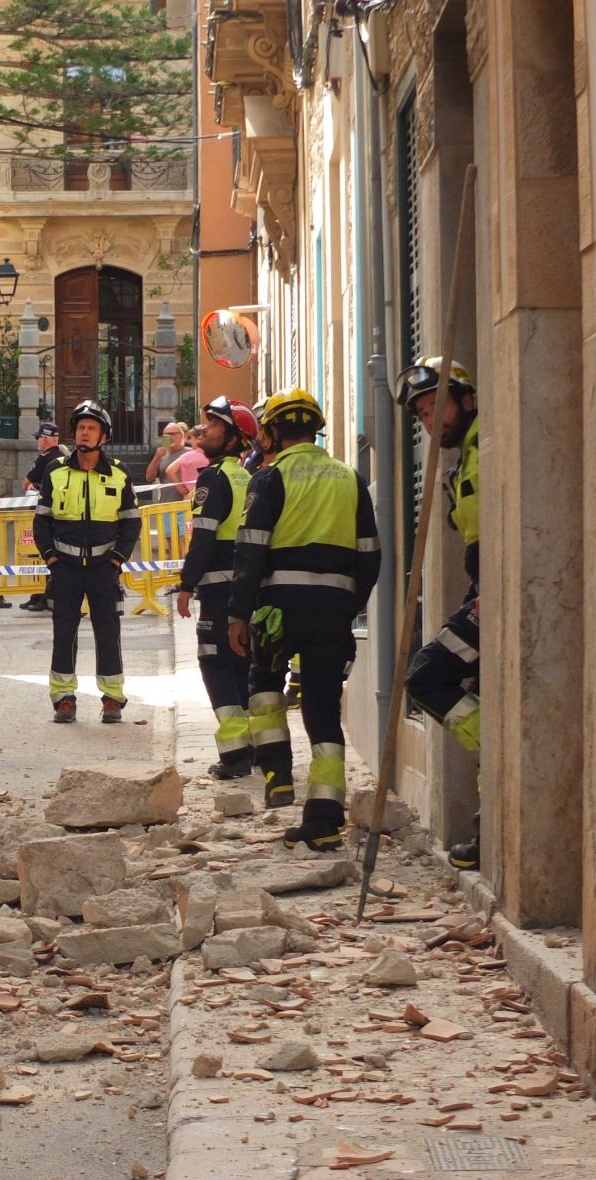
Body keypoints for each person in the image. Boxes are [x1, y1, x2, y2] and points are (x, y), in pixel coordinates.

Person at [228, 388, 381, 850]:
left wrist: (238, 613)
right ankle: (325, 816)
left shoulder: (269, 477)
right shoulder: (350, 479)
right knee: (322, 709)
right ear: (315, 429)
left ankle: (277, 774)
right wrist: (349, 603)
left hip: (278, 608)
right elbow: (369, 555)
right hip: (332, 611)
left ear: (273, 431)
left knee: (263, 683)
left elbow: (250, 550)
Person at [398, 357, 482, 870]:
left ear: (466, 399)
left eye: (436, 409)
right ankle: (486, 831)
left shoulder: (489, 447)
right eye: (424, 416)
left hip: (495, 593)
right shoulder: (462, 460)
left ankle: (497, 744)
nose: (431, 423)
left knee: (427, 676)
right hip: (481, 589)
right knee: (466, 693)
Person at [33, 401, 141, 723]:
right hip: (64, 567)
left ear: (103, 436)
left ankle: (112, 698)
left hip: (102, 568)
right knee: (63, 631)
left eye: (91, 427)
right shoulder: (55, 471)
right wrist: (52, 559)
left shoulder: (120, 473)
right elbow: (41, 521)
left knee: (108, 631)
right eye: (80, 427)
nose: (84, 432)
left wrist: (116, 560)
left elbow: (131, 522)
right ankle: (63, 698)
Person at [175, 398, 260, 778]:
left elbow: (204, 536)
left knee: (215, 665)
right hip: (246, 589)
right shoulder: (249, 477)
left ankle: (234, 755)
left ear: (231, 438)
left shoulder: (214, 477)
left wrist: (185, 583)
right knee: (242, 665)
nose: (203, 430)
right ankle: (254, 749)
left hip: (217, 591)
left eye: (213, 424)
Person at [19, 421, 67, 612]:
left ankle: (43, 596)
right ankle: (40, 594)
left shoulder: (44, 459)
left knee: (40, 553)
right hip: (59, 514)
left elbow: (25, 483)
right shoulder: (63, 457)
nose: (38, 441)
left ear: (46, 440)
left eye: (39, 437)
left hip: (43, 514)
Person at [143, 420, 189, 501]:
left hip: (186, 505)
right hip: (166, 505)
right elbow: (149, 477)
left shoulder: (190, 453)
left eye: (173, 434)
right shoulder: (161, 455)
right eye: (166, 435)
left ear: (182, 436)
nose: (169, 437)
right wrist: (156, 458)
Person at [168, 426, 209, 498]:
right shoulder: (213, 455)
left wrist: (180, 487)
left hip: (189, 501)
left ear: (198, 439)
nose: (190, 442)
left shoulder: (186, 456)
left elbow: (169, 470)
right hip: (210, 499)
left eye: (191, 438)